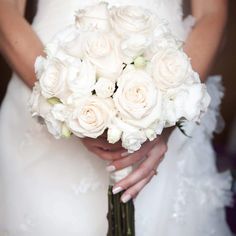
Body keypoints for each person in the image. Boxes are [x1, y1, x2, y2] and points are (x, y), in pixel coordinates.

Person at [0, 0, 232, 235]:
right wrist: (63, 101)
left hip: (165, 80)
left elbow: (211, 13)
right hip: (40, 78)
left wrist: (165, 115)